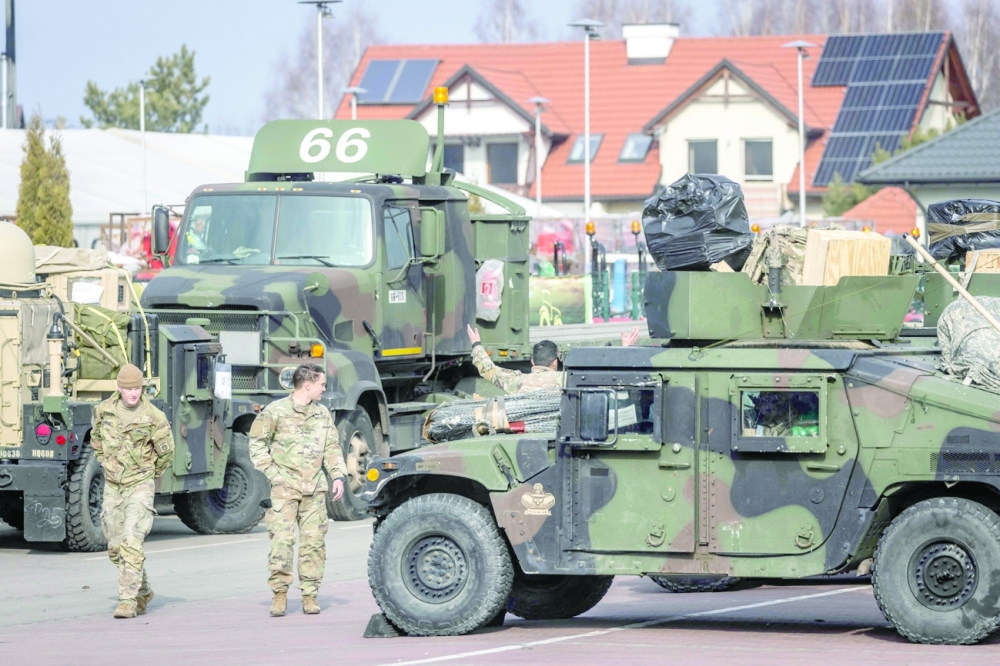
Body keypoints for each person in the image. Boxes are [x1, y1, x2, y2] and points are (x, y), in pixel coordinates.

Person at [248, 364, 348, 617]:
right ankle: (280, 595)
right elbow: (257, 445)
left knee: (313, 545)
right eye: (321, 384)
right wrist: (274, 475)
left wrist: (338, 476)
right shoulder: (275, 412)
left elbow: (332, 448)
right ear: (307, 385)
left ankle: (310, 595)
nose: (324, 388)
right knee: (281, 542)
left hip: (314, 490)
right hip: (285, 490)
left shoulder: (322, 414)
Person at [90, 364, 174, 619]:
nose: (134, 394)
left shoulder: (154, 416)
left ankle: (127, 600)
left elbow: (167, 453)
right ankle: (144, 589)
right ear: (118, 388)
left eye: (138, 389)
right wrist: (103, 460)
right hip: (114, 486)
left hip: (140, 484)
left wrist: (150, 474)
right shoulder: (103, 411)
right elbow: (95, 437)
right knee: (116, 548)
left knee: (131, 541)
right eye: (129, 389)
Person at [467, 324, 641, 394]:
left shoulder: (517, 382)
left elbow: (489, 370)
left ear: (533, 363)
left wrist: (477, 345)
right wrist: (625, 349)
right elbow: (610, 378)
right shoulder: (567, 381)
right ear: (555, 362)